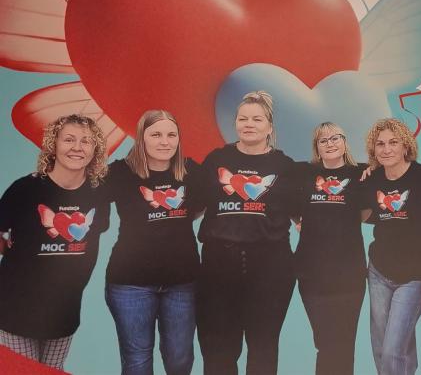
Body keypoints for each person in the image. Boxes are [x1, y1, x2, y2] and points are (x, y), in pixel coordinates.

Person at [195, 91, 297, 375]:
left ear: (270, 127)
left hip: (271, 267)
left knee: (263, 347)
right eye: (242, 119)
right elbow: (195, 204)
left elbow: (303, 209)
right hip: (218, 265)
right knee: (218, 349)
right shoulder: (216, 160)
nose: (248, 124)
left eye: (257, 119)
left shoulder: (285, 166)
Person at [0, 114, 110, 370]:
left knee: (53, 371)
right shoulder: (25, 189)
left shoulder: (98, 193)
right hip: (16, 307)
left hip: (64, 311)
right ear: (54, 145)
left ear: (95, 149)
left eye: (86, 141)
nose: (77, 147)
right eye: (68, 139)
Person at [104, 110, 199, 375]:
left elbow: (205, 206)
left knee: (180, 359)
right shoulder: (120, 172)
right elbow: (81, 197)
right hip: (130, 284)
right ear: (141, 138)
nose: (164, 141)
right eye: (156, 134)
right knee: (137, 361)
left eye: (171, 135)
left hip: (183, 282)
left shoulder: (191, 171)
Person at [294, 122, 368, 374]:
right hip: (311, 273)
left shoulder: (362, 173)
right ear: (317, 147)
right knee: (325, 342)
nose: (330, 143)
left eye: (335, 137)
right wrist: (299, 221)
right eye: (323, 140)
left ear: (345, 142)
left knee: (344, 343)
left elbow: (368, 209)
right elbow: (287, 203)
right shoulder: (304, 173)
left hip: (349, 273)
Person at [361, 118, 421, 375]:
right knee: (384, 348)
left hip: (415, 275)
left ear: (406, 146)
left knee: (393, 349)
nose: (386, 149)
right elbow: (358, 211)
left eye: (393, 142)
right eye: (380, 144)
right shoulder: (370, 178)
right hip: (379, 271)